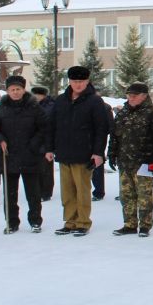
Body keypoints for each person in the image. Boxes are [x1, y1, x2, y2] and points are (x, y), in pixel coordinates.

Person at [45, 66, 109, 237]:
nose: (78, 84)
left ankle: (82, 222)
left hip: (84, 153)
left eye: (81, 81)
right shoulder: (61, 100)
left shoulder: (94, 101)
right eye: (75, 81)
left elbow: (101, 129)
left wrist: (98, 152)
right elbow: (51, 126)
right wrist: (49, 148)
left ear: (87, 81)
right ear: (70, 82)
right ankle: (70, 221)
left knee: (82, 190)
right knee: (67, 191)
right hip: (64, 152)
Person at [0, 76, 48, 233]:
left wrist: (35, 144)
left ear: (23, 89)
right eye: (12, 89)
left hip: (30, 156)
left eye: (18, 89)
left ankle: (35, 221)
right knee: (10, 194)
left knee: (33, 193)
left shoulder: (34, 107)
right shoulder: (1, 109)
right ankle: (12, 222)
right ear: (7, 91)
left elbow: (45, 127)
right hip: (9, 156)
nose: (15, 92)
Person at [108, 82, 153, 237]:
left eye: (134, 95)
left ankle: (145, 225)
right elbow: (115, 135)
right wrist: (112, 154)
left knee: (144, 195)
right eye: (129, 95)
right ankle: (129, 224)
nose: (130, 98)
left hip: (143, 162)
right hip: (124, 161)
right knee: (126, 195)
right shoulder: (123, 112)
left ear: (144, 96)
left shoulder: (152, 114)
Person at [31, 86, 56, 201]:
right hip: (36, 142)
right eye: (34, 94)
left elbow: (48, 125)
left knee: (45, 169)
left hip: (46, 141)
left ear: (43, 95)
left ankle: (46, 192)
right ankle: (39, 190)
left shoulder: (50, 106)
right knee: (37, 169)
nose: (35, 97)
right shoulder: (33, 105)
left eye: (37, 94)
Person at [91, 94, 114, 202]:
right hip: (83, 140)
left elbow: (110, 126)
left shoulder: (105, 107)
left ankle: (99, 191)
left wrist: (101, 133)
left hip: (98, 139)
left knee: (97, 164)